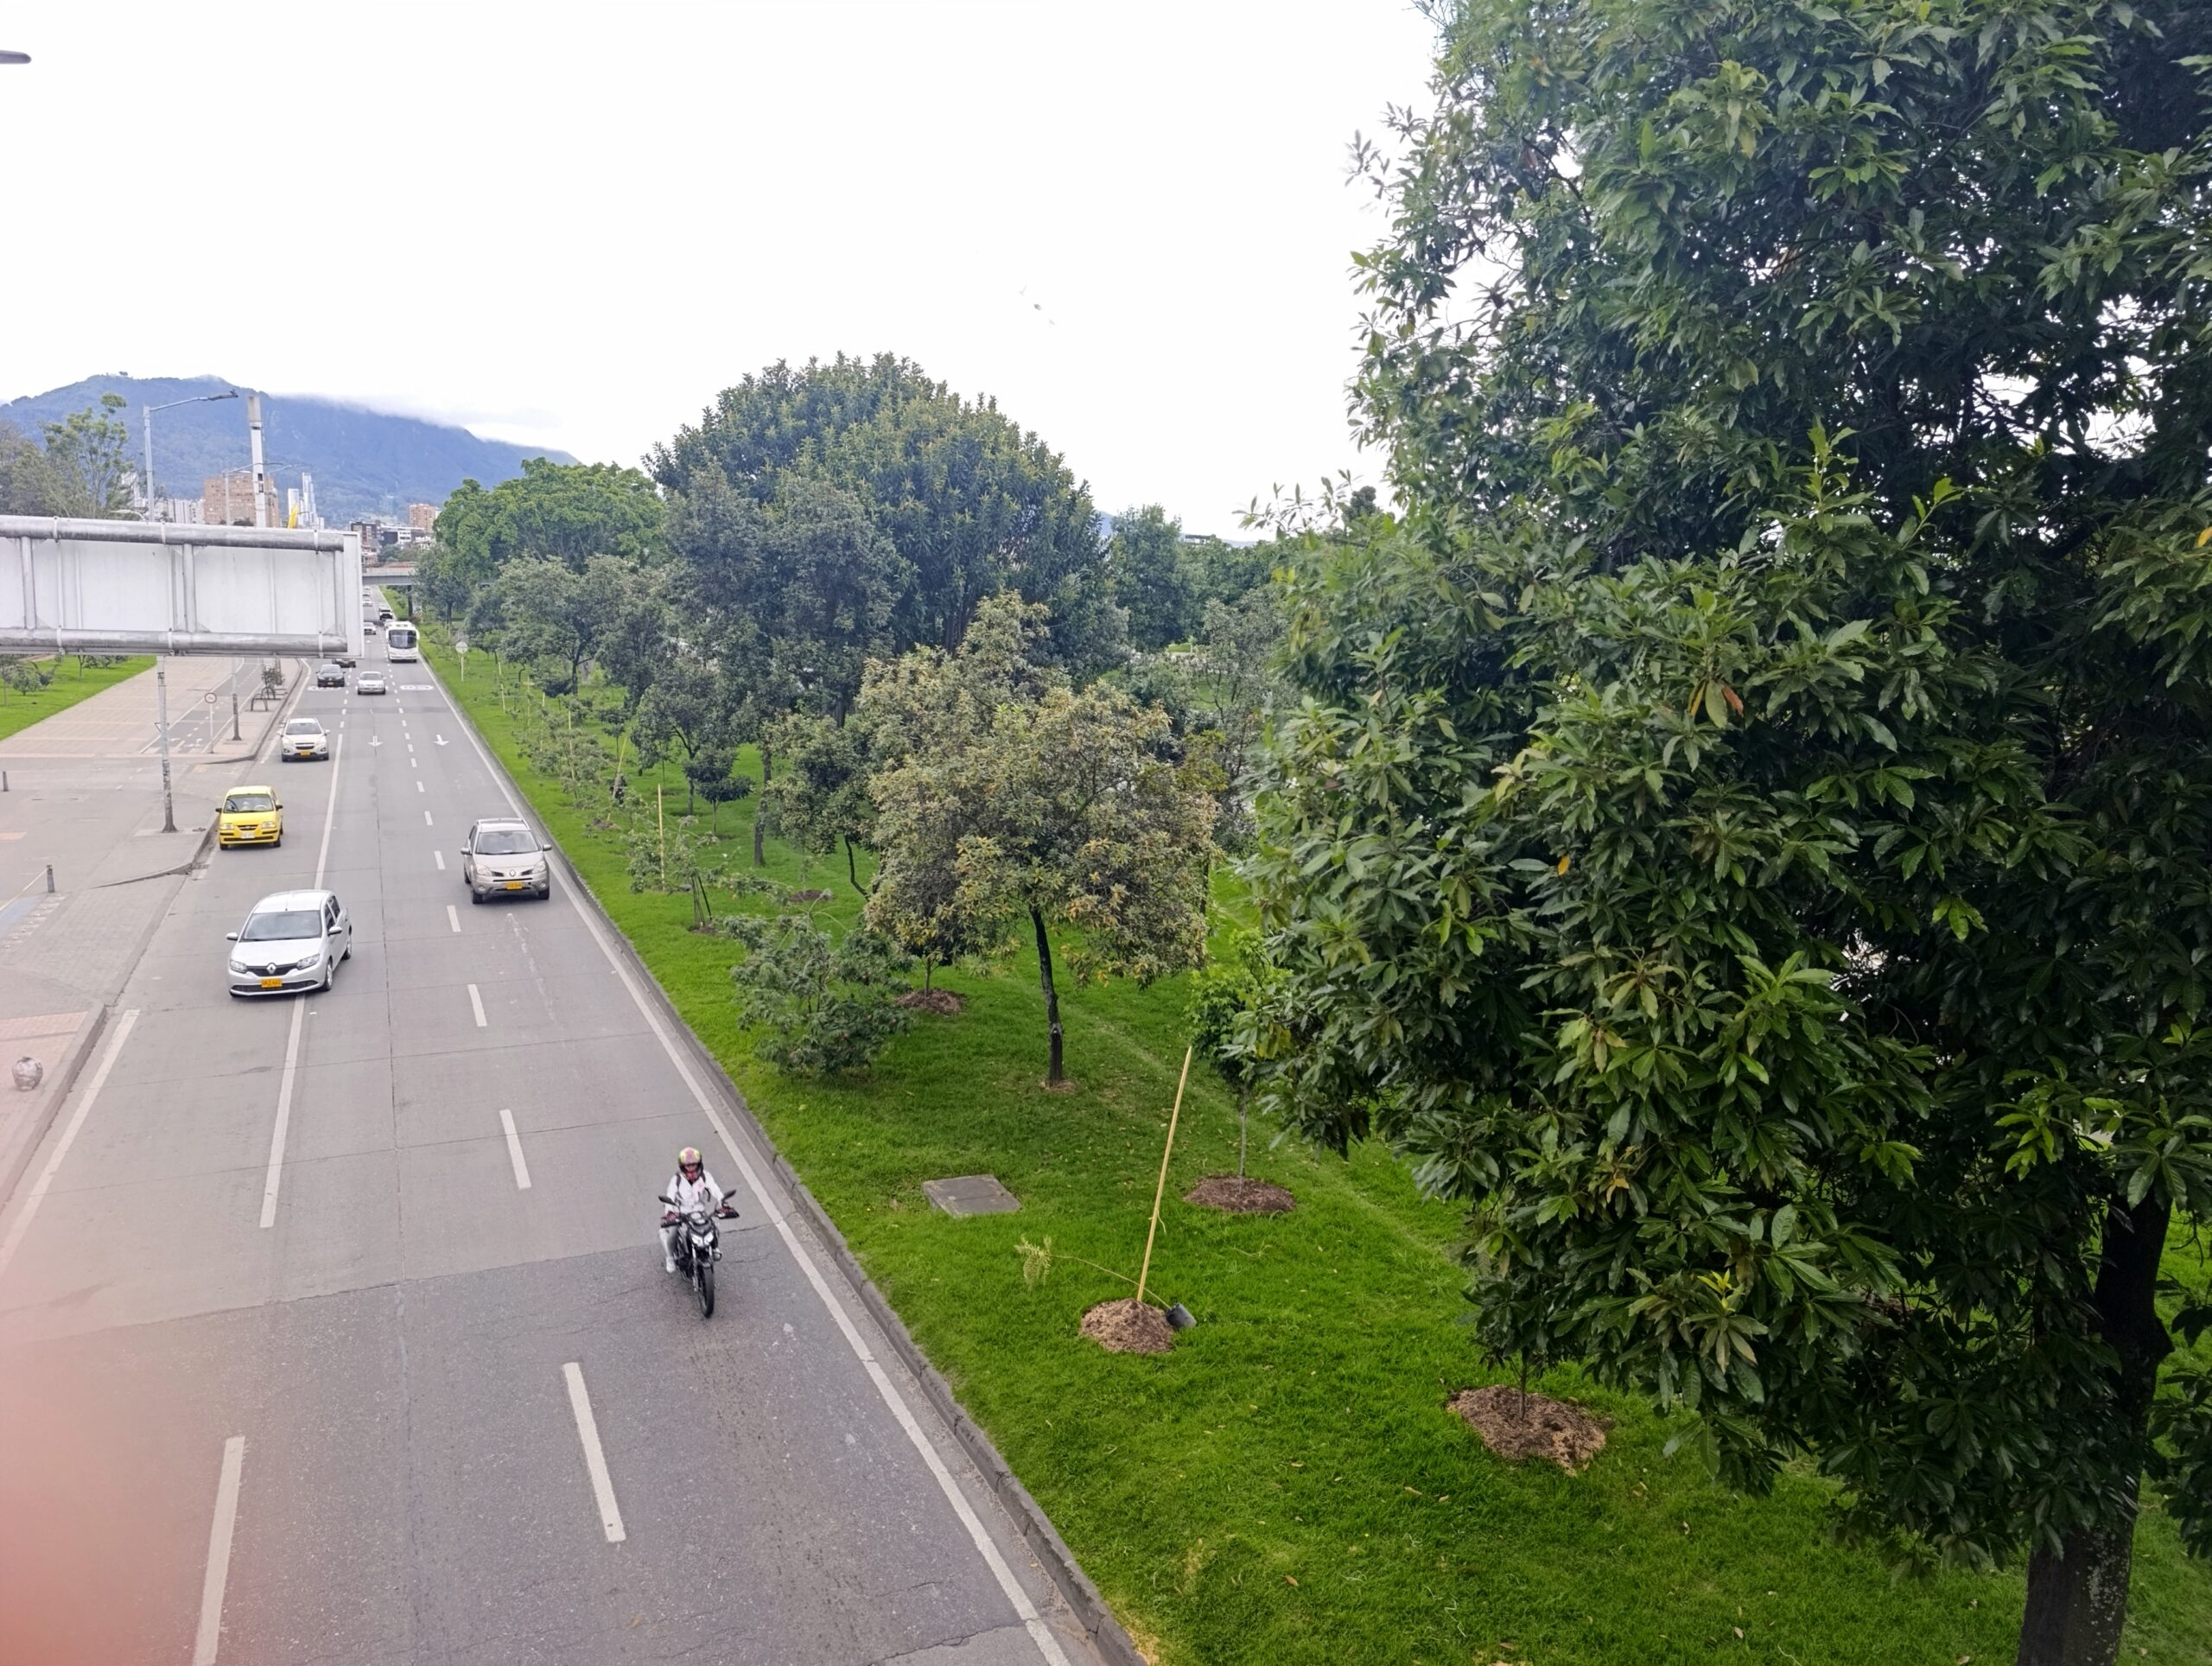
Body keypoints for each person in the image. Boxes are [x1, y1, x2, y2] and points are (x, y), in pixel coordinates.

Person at [660, 1146, 732, 1273]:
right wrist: (670, 1212)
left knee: (714, 1226)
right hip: (681, 1212)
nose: (691, 1168)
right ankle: (670, 1258)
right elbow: (670, 1196)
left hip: (699, 1211)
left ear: (698, 1164)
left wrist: (722, 1202)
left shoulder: (705, 1176)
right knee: (673, 1232)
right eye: (688, 1165)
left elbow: (715, 1189)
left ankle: (714, 1247)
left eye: (694, 1165)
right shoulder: (676, 1180)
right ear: (683, 1166)